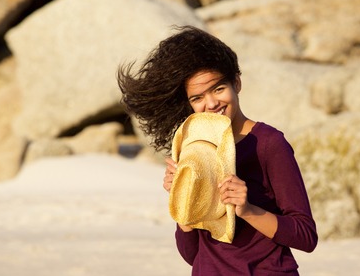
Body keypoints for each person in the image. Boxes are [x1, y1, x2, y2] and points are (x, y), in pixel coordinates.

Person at [117, 25, 317, 275]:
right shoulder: (192, 148)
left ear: (236, 83)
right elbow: (193, 255)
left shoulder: (269, 143)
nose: (211, 103)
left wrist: (248, 210)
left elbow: (306, 236)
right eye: (197, 98)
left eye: (218, 89)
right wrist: (182, 200)